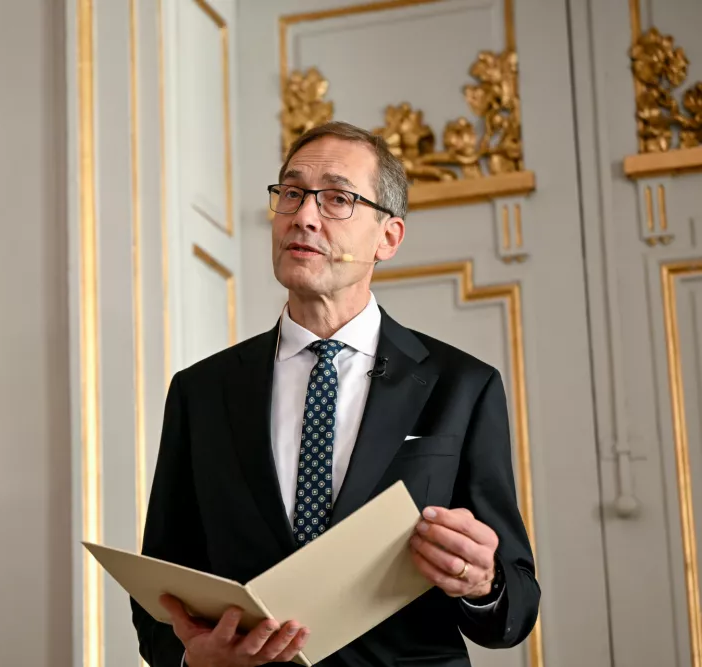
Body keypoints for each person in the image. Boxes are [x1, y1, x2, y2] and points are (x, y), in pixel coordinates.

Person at [131, 120, 540, 666]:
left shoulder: (462, 385)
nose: (303, 215)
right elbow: (161, 585)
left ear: (387, 238)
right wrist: (192, 660)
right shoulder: (199, 391)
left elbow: (515, 605)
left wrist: (482, 581)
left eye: (338, 199)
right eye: (293, 194)